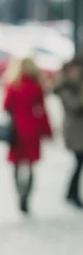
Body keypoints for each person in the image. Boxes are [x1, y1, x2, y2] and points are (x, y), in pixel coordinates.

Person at [3, 56, 52, 214]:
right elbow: (42, 110)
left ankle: (20, 193)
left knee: (17, 165)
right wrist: (47, 131)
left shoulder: (13, 85)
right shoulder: (37, 86)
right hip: (32, 129)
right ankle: (27, 196)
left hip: (17, 129)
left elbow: (6, 106)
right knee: (30, 165)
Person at [54, 57, 83, 209]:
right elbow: (75, 106)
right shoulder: (66, 88)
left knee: (80, 163)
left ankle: (72, 193)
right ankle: (73, 194)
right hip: (74, 131)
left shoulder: (78, 85)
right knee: (79, 162)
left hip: (82, 130)